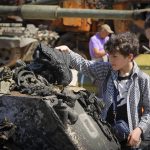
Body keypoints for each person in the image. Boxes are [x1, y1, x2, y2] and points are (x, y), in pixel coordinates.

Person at [55, 32, 150, 149]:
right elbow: (85, 65)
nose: (110, 60)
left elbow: (149, 111)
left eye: (115, 56)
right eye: (109, 55)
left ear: (130, 57)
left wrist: (139, 130)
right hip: (106, 137)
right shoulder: (107, 70)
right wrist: (68, 52)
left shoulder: (143, 80)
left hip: (131, 141)